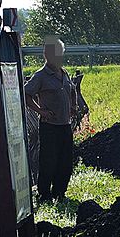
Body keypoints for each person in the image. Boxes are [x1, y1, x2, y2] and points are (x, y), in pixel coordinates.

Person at [24, 37, 78, 203]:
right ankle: (44, 195)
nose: (59, 56)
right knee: (49, 161)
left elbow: (72, 90)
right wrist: (41, 111)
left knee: (66, 162)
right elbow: (26, 95)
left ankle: (60, 193)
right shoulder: (40, 76)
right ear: (47, 55)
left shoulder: (64, 73)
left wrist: (73, 107)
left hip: (65, 125)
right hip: (49, 126)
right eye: (56, 53)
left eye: (61, 53)